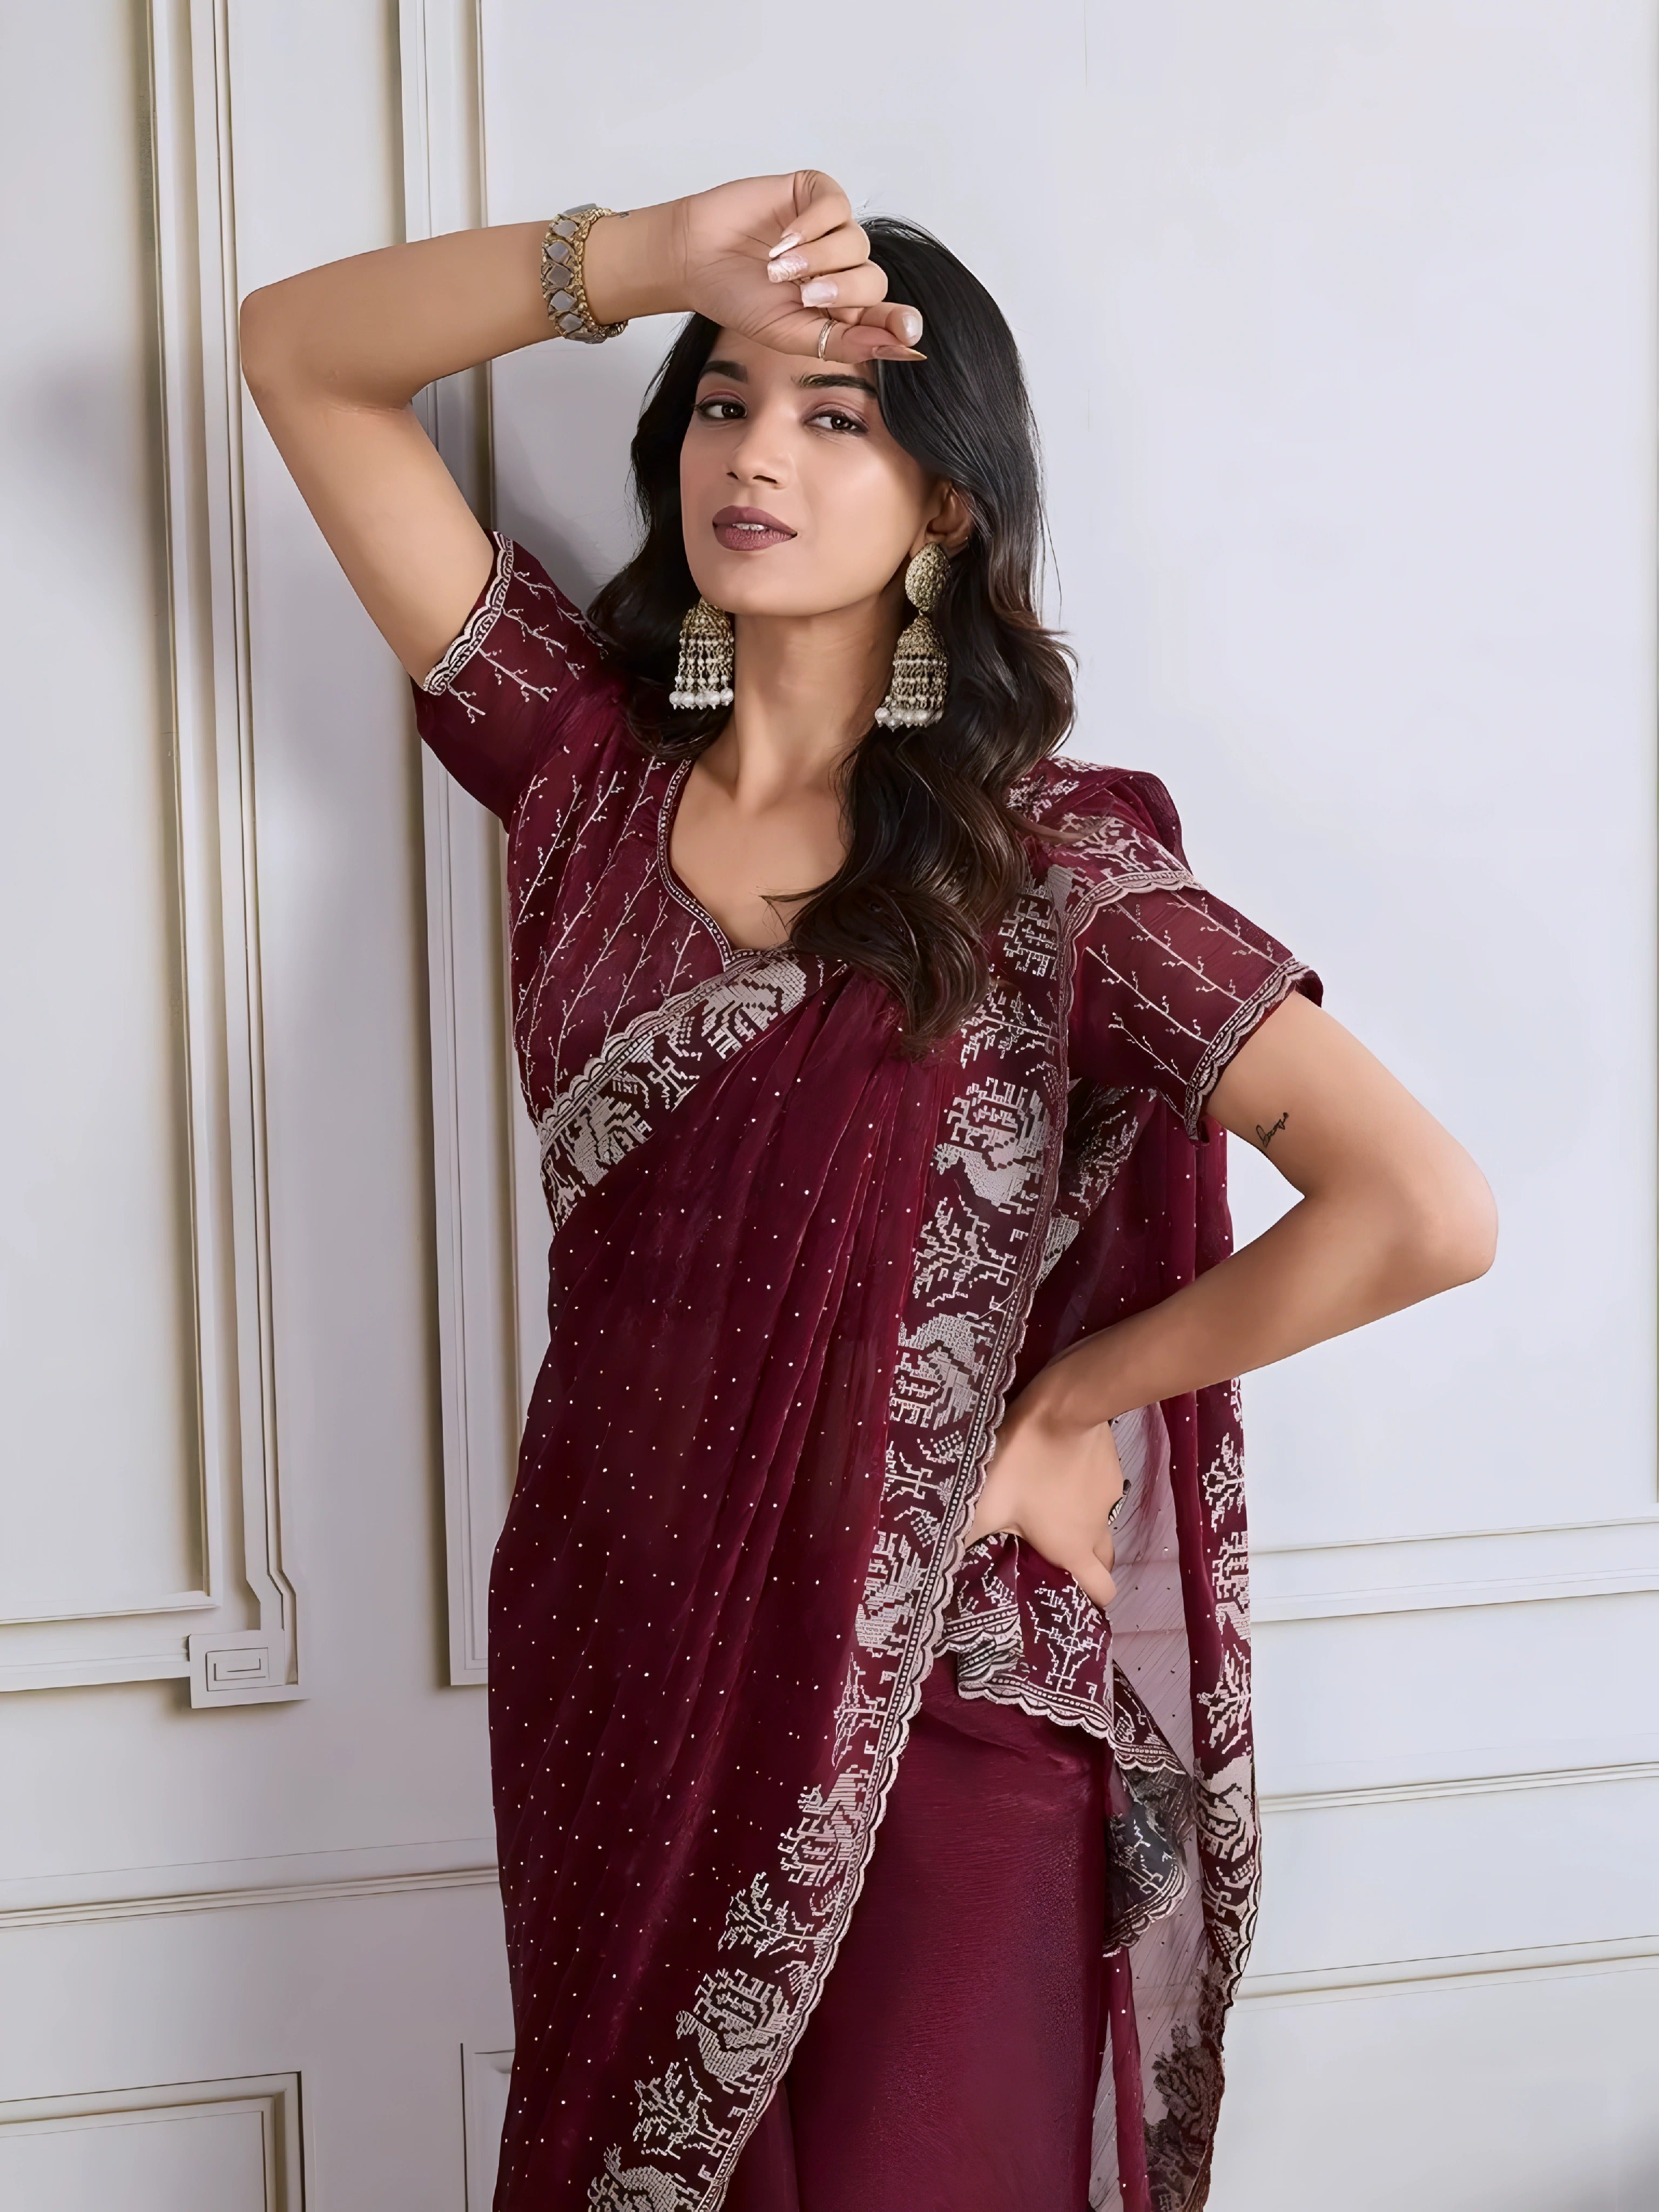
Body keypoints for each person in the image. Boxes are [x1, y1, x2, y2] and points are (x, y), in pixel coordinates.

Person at [240, 170, 1495, 2212]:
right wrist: (652, 262)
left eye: (840, 421)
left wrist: (1074, 1407)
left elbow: (1419, 1206)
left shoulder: (1051, 878)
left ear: (950, 512)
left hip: (936, 1708)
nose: (757, 453)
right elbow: (298, 352)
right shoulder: (575, 773)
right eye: (726, 402)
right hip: (619, 1652)